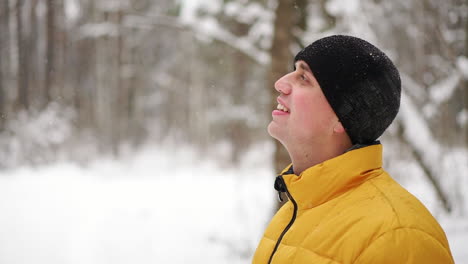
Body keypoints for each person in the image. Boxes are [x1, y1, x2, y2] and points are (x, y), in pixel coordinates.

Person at [252, 35, 454, 264]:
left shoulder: (397, 237)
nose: (280, 83)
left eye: (304, 78)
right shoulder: (294, 212)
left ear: (342, 116)